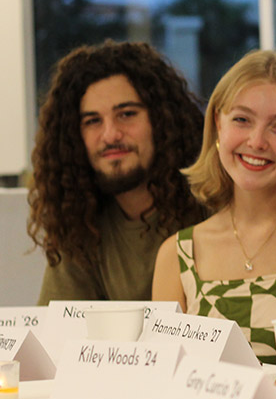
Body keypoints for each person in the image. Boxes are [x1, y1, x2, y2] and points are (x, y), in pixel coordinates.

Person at [152, 50, 276, 363]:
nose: (257, 142)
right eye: (242, 120)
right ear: (218, 125)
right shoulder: (176, 255)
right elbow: (163, 381)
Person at [28, 41, 206, 304]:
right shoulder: (79, 222)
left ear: (162, 119)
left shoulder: (212, 205)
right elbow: (58, 336)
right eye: (93, 121)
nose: (110, 135)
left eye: (126, 114)